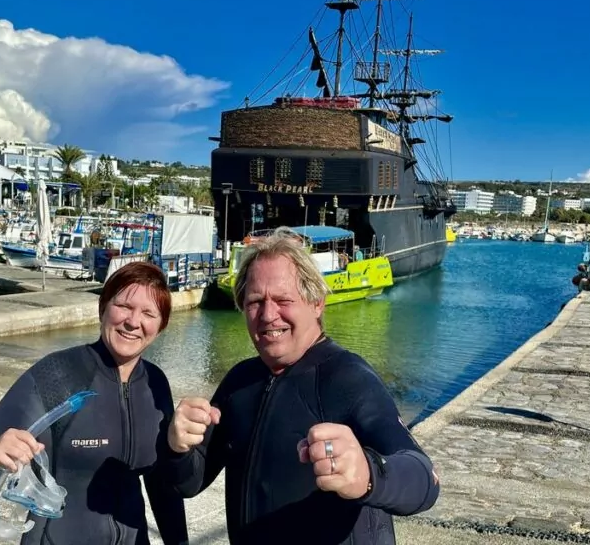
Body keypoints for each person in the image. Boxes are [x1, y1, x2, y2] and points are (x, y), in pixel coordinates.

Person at [165, 227, 439, 545]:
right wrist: (177, 447)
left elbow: (425, 481)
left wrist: (369, 474)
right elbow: (189, 482)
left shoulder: (349, 379)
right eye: (255, 302)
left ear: (316, 303)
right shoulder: (239, 382)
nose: (268, 315)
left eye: (283, 300)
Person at [0, 261, 188, 545]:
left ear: (160, 325)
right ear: (103, 308)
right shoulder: (57, 374)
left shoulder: (156, 384)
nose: (133, 321)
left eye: (148, 313)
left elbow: (161, 484)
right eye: (124, 306)